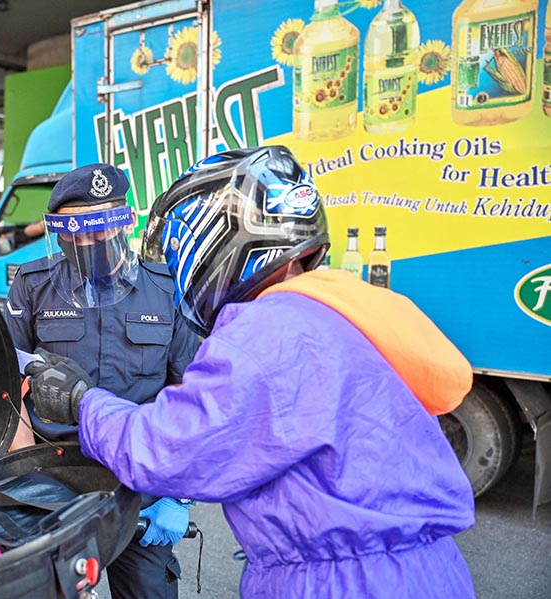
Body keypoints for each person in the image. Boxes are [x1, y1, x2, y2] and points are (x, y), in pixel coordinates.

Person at [24, 147, 477, 599]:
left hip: (342, 582)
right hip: (423, 571)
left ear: (218, 242)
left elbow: (163, 449)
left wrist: (82, 401)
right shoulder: (345, 310)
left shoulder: (268, 331)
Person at [5, 163, 200, 599]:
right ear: (61, 233)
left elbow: (189, 397)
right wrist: (24, 480)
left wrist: (179, 496)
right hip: (55, 484)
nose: (92, 243)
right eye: (78, 233)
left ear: (126, 222)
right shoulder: (34, 286)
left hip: (140, 487)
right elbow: (8, 384)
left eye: (102, 229)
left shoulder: (165, 288)